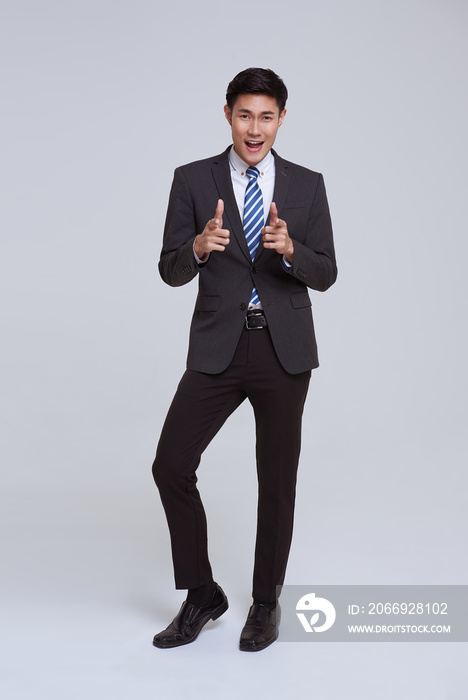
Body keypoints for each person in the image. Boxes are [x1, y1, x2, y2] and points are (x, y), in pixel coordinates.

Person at [151, 67, 337, 652]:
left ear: (282, 118)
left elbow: (327, 272)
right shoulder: (192, 179)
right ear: (227, 115)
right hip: (218, 345)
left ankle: (264, 601)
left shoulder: (307, 186)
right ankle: (203, 593)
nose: (254, 129)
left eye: (266, 116)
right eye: (243, 115)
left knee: (276, 482)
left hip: (283, 351)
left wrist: (292, 251)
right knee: (170, 464)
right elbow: (168, 269)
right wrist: (197, 248)